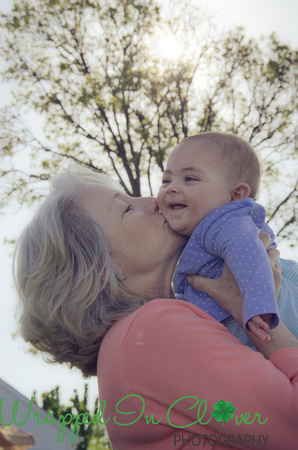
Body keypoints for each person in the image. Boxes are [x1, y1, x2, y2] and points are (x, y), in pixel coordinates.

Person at [14, 165, 298, 449]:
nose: (153, 201)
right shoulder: (150, 331)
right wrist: (257, 311)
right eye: (126, 209)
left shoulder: (133, 344)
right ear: (102, 267)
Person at [157, 132, 298, 344]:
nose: (171, 187)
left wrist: (259, 306)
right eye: (166, 180)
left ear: (235, 196)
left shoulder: (224, 220)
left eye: (190, 179)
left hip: (266, 312)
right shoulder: (198, 231)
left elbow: (250, 253)